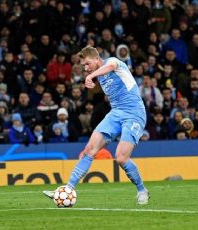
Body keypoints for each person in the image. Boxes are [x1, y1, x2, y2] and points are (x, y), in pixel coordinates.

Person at [43, 46, 150, 205]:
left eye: (87, 64)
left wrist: (91, 76)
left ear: (96, 58)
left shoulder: (112, 62)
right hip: (116, 113)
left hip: (134, 112)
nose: (86, 68)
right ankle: (68, 188)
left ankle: (142, 190)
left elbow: (111, 67)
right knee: (88, 150)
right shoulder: (99, 76)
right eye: (84, 66)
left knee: (121, 158)